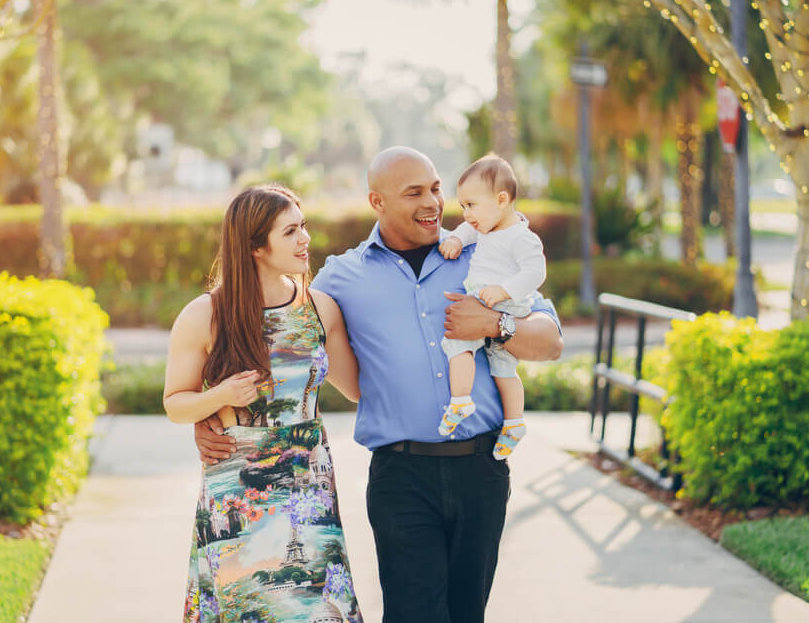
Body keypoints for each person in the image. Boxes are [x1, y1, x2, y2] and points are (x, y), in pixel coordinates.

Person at [194, 147, 563, 623]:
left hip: (482, 470)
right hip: (401, 476)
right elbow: (275, 342)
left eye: (435, 188)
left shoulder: (484, 252)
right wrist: (212, 414)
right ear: (378, 201)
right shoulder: (340, 278)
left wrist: (494, 324)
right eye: (415, 193)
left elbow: (550, 342)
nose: (433, 202)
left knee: (467, 613)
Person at [164, 185, 364, 623]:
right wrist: (219, 397)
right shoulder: (205, 315)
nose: (304, 239)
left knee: (316, 608)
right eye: (290, 231)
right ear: (255, 246)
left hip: (308, 485)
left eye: (304, 226)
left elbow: (356, 388)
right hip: (238, 492)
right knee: (249, 608)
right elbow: (176, 404)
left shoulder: (320, 309)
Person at [437, 154, 547, 461]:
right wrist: (457, 240)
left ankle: (461, 401)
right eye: (462, 206)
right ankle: (513, 424)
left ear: (501, 200)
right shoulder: (486, 226)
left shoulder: (521, 237)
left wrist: (503, 290)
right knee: (499, 367)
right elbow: (467, 230)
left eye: (471, 205)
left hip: (505, 306)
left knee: (460, 343)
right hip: (486, 301)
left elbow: (536, 273)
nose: (466, 214)